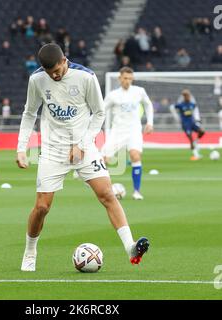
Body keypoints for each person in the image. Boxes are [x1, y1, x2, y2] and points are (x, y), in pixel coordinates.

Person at [16, 44, 150, 272]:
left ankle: (130, 247)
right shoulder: (36, 80)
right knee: (42, 207)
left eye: (57, 70)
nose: (54, 75)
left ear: (64, 60)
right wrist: (21, 147)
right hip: (52, 149)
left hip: (84, 147)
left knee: (107, 194)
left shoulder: (86, 77)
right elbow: (30, 113)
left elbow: (99, 113)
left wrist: (82, 144)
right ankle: (30, 251)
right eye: (49, 73)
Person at [101, 67, 154, 200]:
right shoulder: (113, 95)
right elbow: (101, 110)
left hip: (134, 130)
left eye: (130, 78)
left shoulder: (139, 91)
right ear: (120, 78)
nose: (128, 81)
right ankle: (101, 187)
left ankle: (137, 191)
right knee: (104, 160)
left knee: (135, 156)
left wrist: (150, 122)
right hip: (117, 131)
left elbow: (148, 105)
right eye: (125, 78)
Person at [170, 90, 205, 161]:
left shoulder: (192, 104)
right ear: (183, 97)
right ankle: (196, 154)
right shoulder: (181, 105)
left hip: (192, 123)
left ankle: (196, 141)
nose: (187, 97)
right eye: (185, 96)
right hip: (185, 124)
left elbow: (196, 110)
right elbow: (171, 107)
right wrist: (176, 118)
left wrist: (197, 119)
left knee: (202, 131)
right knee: (190, 139)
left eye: (188, 95)